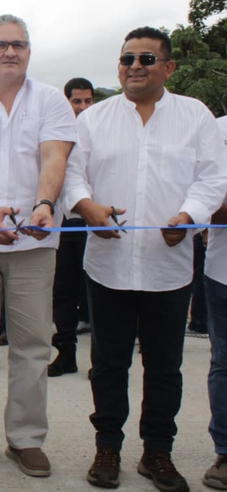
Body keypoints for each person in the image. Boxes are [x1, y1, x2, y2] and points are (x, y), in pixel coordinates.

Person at [64, 26, 227, 492]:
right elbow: (73, 176)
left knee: (164, 368)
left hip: (167, 267)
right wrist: (87, 208)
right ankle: (107, 448)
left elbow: (212, 180)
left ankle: (157, 451)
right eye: (127, 59)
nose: (135, 66)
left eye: (146, 59)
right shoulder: (94, 119)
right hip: (108, 265)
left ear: (168, 67)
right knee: (108, 365)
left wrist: (189, 216)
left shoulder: (195, 116)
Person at [0, 14, 76, 478]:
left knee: (32, 344)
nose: (10, 52)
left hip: (34, 242)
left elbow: (54, 155)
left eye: (18, 44)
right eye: (1, 45)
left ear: (29, 52)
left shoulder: (51, 100)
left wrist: (44, 204)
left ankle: (25, 440)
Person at [48, 77, 96, 377]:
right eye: (76, 101)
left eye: (88, 101)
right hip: (64, 224)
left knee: (94, 294)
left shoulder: (100, 128)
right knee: (63, 292)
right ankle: (65, 353)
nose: (82, 107)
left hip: (94, 223)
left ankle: (100, 359)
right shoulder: (56, 129)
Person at [203, 115, 227, 490]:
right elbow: (206, 200)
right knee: (225, 362)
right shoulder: (216, 130)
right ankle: (225, 451)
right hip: (224, 272)